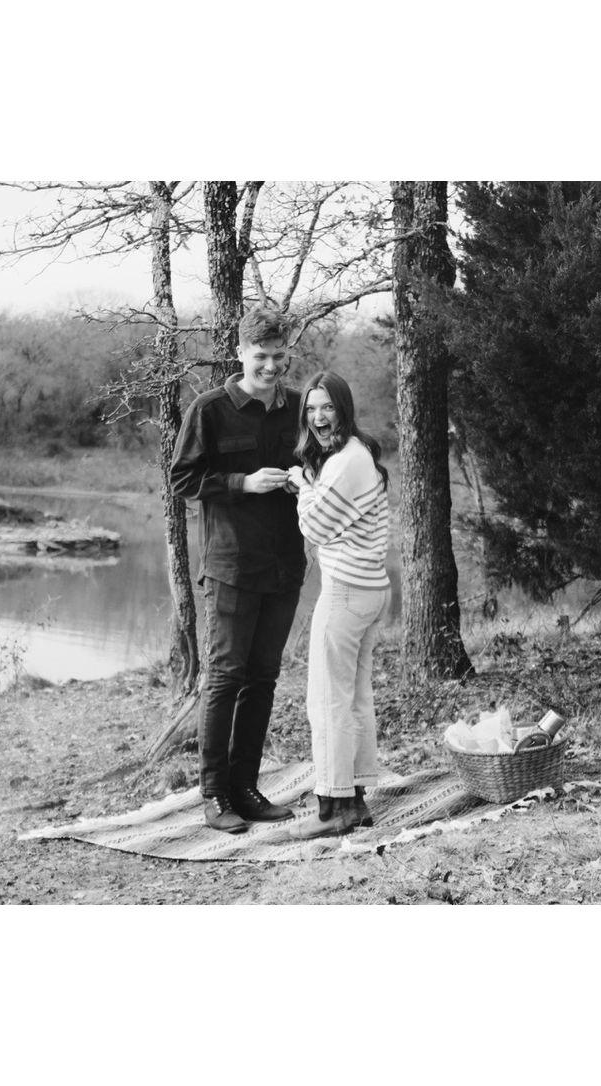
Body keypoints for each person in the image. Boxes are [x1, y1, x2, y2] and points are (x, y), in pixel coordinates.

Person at [169, 306, 306, 834]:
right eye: (261, 356)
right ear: (241, 353)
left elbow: (322, 463)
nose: (271, 366)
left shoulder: (300, 408)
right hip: (230, 566)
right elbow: (182, 480)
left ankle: (247, 789)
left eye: (279, 356)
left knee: (263, 678)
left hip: (285, 566)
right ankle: (214, 794)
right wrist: (242, 484)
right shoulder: (209, 410)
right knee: (225, 677)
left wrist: (304, 479)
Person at [287, 371, 391, 839]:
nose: (318, 417)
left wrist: (301, 485)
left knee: (327, 702)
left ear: (343, 409)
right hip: (371, 590)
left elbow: (314, 528)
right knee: (354, 698)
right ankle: (357, 799)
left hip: (347, 593)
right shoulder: (357, 453)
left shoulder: (346, 461)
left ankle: (332, 809)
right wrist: (312, 481)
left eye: (327, 407)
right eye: (311, 409)